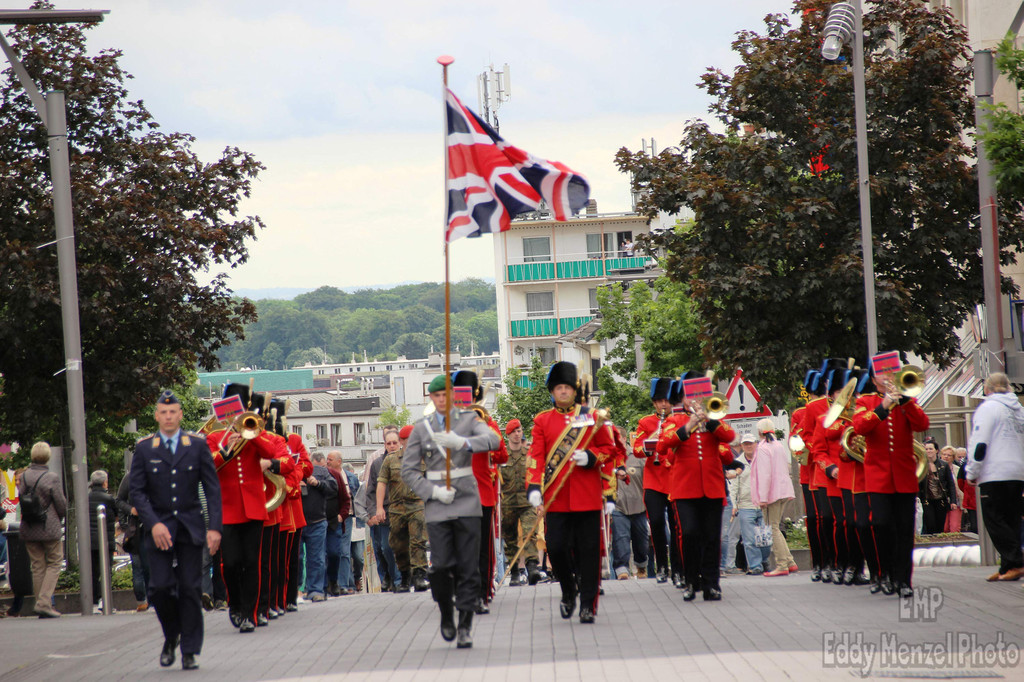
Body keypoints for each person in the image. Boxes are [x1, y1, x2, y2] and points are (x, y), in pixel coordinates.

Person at [402, 373, 500, 648]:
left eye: (446, 394)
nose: (442, 400)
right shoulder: (422, 429)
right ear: (431, 398)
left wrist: (464, 443)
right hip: (438, 505)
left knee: (470, 567)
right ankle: (446, 611)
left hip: (468, 501)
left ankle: (466, 624)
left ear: (453, 396)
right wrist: (431, 492)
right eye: (437, 396)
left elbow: (493, 440)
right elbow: (407, 470)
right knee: (442, 566)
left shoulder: (469, 420)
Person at [130, 390, 222, 670]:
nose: (168, 417)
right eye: (163, 412)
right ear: (156, 416)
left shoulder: (196, 445)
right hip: (158, 529)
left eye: (173, 412)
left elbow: (211, 487)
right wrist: (153, 522)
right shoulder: (145, 448)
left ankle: (190, 650)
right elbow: (137, 491)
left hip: (190, 528)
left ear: (180, 414)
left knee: (190, 588)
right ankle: (172, 636)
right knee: (158, 588)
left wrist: (214, 528)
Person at [527, 362, 616, 623]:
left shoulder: (592, 416)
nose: (563, 392)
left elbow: (609, 450)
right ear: (552, 392)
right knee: (556, 549)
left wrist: (590, 457)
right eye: (558, 388)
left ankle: (588, 604)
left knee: (589, 553)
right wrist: (534, 487)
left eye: (566, 387)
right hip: (556, 499)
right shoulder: (542, 420)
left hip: (587, 496)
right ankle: (568, 591)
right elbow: (536, 456)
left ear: (573, 390)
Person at [852, 360, 930, 599]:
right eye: (883, 375)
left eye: (892, 373)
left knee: (905, 530)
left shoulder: (909, 401)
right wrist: (882, 408)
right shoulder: (865, 402)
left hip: (905, 476)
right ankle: (884, 572)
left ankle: (904, 580)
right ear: (875, 380)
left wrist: (905, 402)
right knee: (882, 526)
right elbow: (859, 426)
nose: (889, 378)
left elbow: (922, 424)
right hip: (878, 477)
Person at [656, 370, 736, 601]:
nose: (695, 400)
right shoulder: (674, 420)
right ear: (682, 399)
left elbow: (729, 437)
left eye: (699, 396)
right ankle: (691, 581)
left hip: (712, 487)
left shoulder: (714, 419)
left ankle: (712, 584)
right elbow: (663, 445)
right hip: (684, 488)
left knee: (712, 536)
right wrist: (690, 425)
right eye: (691, 396)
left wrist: (708, 420)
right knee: (689, 534)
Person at [452, 369, 508, 613]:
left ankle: (481, 595)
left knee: (482, 550)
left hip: (482, 494)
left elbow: (502, 454)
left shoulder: (485, 421)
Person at [965, 372, 1024, 582]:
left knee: (994, 519)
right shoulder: (1019, 411)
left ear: (986, 389)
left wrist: (972, 471)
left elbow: (980, 443)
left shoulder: (988, 408)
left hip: (995, 471)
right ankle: (1007, 567)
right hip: (1017, 471)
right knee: (1012, 519)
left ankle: (1016, 561)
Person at [632, 377, 683, 584]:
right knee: (657, 524)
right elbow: (636, 450)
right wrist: (653, 436)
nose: (664, 405)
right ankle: (661, 566)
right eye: (660, 401)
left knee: (677, 526)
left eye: (667, 400)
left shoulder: (680, 420)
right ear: (654, 403)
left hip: (674, 480)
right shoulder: (646, 422)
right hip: (653, 482)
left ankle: (678, 569)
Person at [376, 428, 429, 593]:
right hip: (397, 507)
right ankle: (405, 576)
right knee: (398, 544)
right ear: (403, 441)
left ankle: (420, 576)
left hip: (418, 505)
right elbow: (382, 483)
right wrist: (379, 508)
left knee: (418, 540)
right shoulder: (391, 460)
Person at [19, 442, 67, 618]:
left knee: (37, 566)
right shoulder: (51, 477)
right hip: (49, 527)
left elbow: (22, 498)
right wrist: (60, 518)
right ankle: (44, 603)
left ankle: (40, 604)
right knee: (55, 563)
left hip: (29, 526)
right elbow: (60, 504)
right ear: (47, 457)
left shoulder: (23, 477)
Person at [750, 419, 798, 576]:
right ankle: (789, 561)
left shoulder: (763, 448)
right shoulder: (777, 446)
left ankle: (782, 564)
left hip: (771, 493)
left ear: (759, 432)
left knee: (773, 528)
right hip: (783, 491)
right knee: (776, 527)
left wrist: (762, 497)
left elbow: (765, 475)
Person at [360, 425, 401, 592]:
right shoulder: (377, 464)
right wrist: (372, 512)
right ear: (384, 444)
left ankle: (399, 580)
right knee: (385, 547)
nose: (391, 446)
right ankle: (390, 577)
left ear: (400, 443)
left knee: (400, 546)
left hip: (402, 511)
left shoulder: (406, 460)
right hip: (383, 512)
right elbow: (370, 491)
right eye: (388, 443)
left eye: (394, 443)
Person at [499, 418, 540, 585]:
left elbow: (536, 475)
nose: (518, 434)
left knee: (530, 532)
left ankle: (532, 567)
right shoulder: (502, 457)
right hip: (508, 503)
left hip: (527, 502)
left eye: (519, 431)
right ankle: (515, 571)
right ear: (508, 435)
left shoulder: (528, 455)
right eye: (514, 431)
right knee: (510, 538)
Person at [87, 469, 129, 611]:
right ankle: (103, 600)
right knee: (105, 571)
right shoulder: (109, 499)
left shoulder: (85, 498)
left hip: (89, 542)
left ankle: (92, 602)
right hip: (106, 540)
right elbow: (117, 515)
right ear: (105, 482)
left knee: (92, 571)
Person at [611, 427, 649, 580]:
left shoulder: (638, 456)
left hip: (639, 506)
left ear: (624, 438)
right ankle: (622, 569)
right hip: (618, 507)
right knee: (621, 539)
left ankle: (641, 566)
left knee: (641, 542)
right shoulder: (608, 459)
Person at [301, 451, 337, 602]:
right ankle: (293, 592)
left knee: (317, 558)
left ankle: (315, 590)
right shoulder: (289, 470)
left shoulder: (321, 471)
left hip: (317, 521)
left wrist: (318, 483)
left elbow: (333, 488)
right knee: (295, 559)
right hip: (296, 522)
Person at [733, 434, 771, 575]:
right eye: (745, 444)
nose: (748, 446)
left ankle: (764, 560)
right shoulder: (738, 463)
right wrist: (734, 504)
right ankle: (755, 566)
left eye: (751, 443)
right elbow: (733, 485)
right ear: (742, 446)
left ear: (756, 444)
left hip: (763, 504)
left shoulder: (764, 460)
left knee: (766, 539)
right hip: (746, 505)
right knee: (749, 540)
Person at [117, 464, 151, 611]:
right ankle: (146, 601)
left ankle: (145, 601)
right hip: (137, 529)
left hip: (152, 526)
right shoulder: (130, 477)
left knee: (145, 566)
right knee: (140, 566)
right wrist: (132, 510)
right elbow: (119, 500)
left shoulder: (131, 476)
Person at [325, 451, 354, 596]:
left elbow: (347, 498)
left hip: (341, 520)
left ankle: (341, 583)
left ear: (339, 461)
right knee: (323, 554)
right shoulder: (323, 475)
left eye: (330, 459)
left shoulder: (345, 477)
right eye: (327, 459)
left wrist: (342, 516)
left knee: (341, 552)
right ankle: (324, 585)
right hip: (322, 521)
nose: (328, 462)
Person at [918, 438, 957, 535]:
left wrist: (953, 501)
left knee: (940, 525)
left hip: (941, 500)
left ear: (936, 451)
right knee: (930, 524)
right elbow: (917, 483)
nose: (928, 451)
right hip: (927, 500)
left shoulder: (943, 465)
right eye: (926, 449)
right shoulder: (921, 465)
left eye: (930, 449)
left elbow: (950, 483)